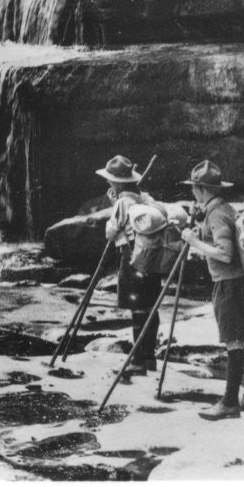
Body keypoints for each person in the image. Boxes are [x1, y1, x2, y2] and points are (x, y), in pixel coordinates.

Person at [179, 160, 244, 420]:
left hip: (228, 283)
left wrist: (194, 241)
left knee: (233, 341)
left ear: (200, 188)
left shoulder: (216, 213)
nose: (192, 192)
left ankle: (229, 403)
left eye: (193, 188)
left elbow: (225, 254)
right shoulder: (224, 208)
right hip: (242, 282)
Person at [97, 154, 160, 375]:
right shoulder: (146, 198)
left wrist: (115, 207)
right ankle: (149, 357)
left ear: (116, 182)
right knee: (150, 306)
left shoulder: (123, 202)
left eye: (110, 179)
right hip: (151, 260)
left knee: (137, 308)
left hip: (132, 257)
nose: (108, 182)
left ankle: (137, 361)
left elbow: (111, 232)